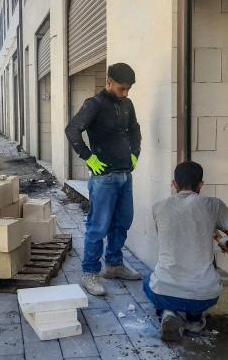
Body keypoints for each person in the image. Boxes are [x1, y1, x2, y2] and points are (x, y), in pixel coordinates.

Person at [145, 161, 228, 342]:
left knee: (148, 279)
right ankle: (194, 321)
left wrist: (218, 238)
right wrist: (227, 244)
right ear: (200, 185)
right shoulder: (214, 205)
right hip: (203, 295)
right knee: (207, 268)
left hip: (165, 291)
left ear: (174, 184)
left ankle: (168, 313)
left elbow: (177, 237)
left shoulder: (158, 208)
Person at [65, 63, 142, 296]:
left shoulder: (127, 104)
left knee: (122, 222)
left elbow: (134, 130)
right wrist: (88, 157)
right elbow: (72, 130)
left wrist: (135, 153)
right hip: (104, 177)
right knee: (98, 226)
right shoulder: (94, 104)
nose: (125, 93)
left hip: (125, 175)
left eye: (128, 89)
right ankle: (90, 273)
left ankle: (114, 265)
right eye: (121, 88)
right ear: (108, 83)